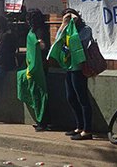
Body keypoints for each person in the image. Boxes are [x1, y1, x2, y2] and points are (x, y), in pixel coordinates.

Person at [53, 9, 95, 141]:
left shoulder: (85, 29)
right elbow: (57, 40)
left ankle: (87, 130)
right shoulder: (66, 28)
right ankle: (79, 126)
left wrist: (73, 24)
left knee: (82, 98)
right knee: (71, 97)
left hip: (80, 68)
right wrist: (63, 24)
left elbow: (76, 43)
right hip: (69, 67)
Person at [17, 9, 51, 132]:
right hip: (34, 65)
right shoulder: (35, 29)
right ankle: (40, 120)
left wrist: (36, 44)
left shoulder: (40, 30)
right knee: (36, 93)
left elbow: (43, 45)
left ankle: (44, 121)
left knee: (40, 94)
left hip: (39, 66)